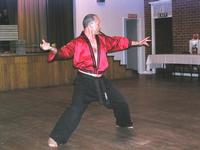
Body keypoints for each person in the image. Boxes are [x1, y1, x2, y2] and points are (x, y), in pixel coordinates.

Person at [40, 14, 150, 147]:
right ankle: (56, 137)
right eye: (98, 24)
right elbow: (64, 52)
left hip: (101, 80)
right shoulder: (77, 43)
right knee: (75, 109)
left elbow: (117, 42)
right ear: (91, 25)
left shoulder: (102, 39)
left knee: (121, 102)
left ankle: (123, 123)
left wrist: (137, 43)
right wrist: (51, 48)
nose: (100, 26)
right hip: (84, 81)